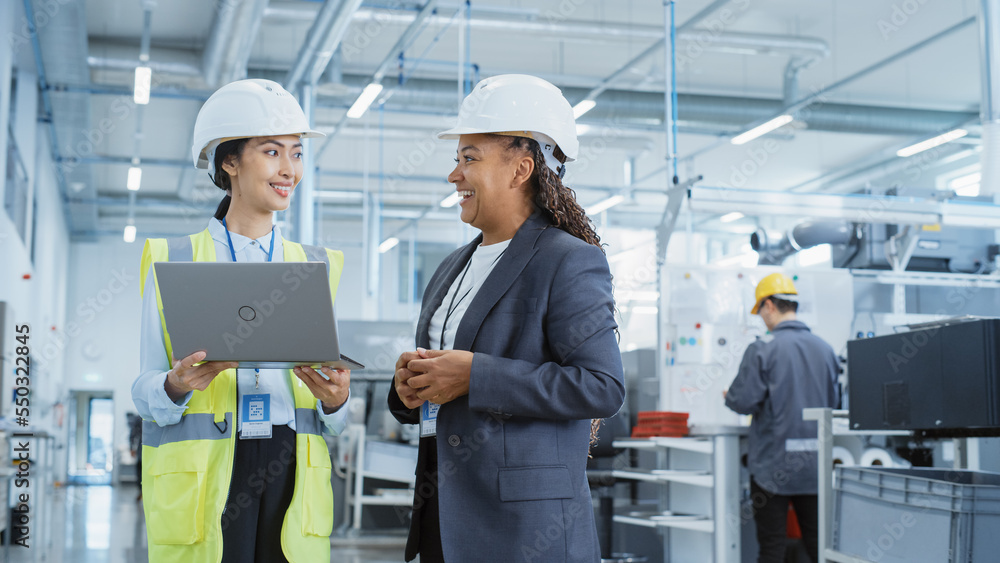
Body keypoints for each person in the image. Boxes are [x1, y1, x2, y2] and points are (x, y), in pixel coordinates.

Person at [387, 74, 625, 563]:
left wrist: (476, 376)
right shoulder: (451, 267)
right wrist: (409, 390)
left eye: (469, 158)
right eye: (457, 160)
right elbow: (444, 388)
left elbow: (601, 386)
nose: (454, 175)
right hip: (444, 512)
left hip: (524, 527)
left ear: (521, 169)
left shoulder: (567, 260)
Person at [131, 78, 351, 563]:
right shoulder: (177, 259)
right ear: (229, 161)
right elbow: (143, 389)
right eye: (272, 152)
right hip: (209, 474)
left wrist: (338, 402)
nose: (289, 169)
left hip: (290, 470)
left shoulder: (316, 265)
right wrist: (173, 385)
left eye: (296, 153)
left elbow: (334, 418)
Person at [724, 272, 840, 563]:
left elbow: (743, 401)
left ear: (769, 306)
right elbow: (834, 404)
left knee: (772, 547)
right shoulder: (826, 350)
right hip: (816, 467)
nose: (762, 318)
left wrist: (728, 396)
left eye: (760, 311)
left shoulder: (763, 348)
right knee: (820, 547)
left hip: (772, 468)